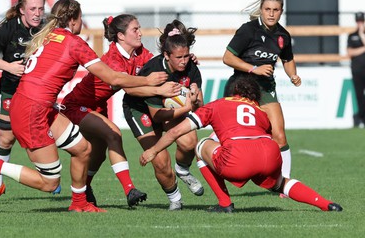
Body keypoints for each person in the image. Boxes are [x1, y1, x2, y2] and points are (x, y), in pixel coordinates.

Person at [0, 0, 167, 212]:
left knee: (83, 149)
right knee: (50, 182)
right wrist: (149, 81)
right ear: (73, 20)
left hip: (38, 105)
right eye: (81, 18)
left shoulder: (47, 35)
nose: (82, 23)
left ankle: (79, 203)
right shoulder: (74, 43)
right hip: (32, 110)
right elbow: (113, 78)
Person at [140, 74, 343, 213]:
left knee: (201, 146)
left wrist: (153, 151)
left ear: (229, 91)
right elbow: (260, 132)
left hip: (238, 159)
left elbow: (176, 131)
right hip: (269, 154)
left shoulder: (216, 106)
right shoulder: (259, 110)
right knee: (280, 184)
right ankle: (326, 204)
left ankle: (225, 203)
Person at [61, 14, 181, 207]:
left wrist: (182, 60)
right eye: (135, 29)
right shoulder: (113, 59)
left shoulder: (139, 51)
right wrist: (157, 88)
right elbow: (128, 86)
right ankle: (129, 190)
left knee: (98, 154)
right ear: (121, 36)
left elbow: (158, 65)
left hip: (98, 106)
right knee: (114, 134)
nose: (140, 33)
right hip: (75, 106)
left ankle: (84, 188)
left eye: (139, 28)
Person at [122, 19, 204, 210]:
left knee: (189, 141)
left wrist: (195, 98)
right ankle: (175, 199)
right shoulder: (154, 70)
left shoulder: (191, 66)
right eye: (179, 57)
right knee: (160, 161)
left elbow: (200, 105)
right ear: (167, 55)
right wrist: (187, 108)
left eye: (186, 56)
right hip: (140, 110)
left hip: (168, 110)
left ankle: (182, 170)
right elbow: (157, 116)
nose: (184, 61)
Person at [222, 0, 301, 187]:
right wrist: (253, 69)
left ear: (281, 12)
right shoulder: (248, 31)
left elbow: (288, 60)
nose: (271, 14)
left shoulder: (283, 35)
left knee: (279, 134)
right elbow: (227, 58)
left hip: (266, 88)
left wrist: (293, 75)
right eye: (267, 9)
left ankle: (285, 182)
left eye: (275, 10)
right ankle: (218, 172)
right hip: (240, 86)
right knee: (229, 136)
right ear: (262, 10)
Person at [0, 0, 47, 202]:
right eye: (32, 9)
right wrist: (8, 67)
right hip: (11, 89)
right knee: (6, 138)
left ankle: (51, 177)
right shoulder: (8, 28)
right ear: (22, 10)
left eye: (41, 9)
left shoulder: (48, 29)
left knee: (44, 133)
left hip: (39, 91)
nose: (37, 13)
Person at [347, 12, 365, 128]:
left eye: (362, 21)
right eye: (358, 21)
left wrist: (362, 35)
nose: (360, 24)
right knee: (359, 95)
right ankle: (360, 117)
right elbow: (350, 52)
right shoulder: (351, 36)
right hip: (357, 70)